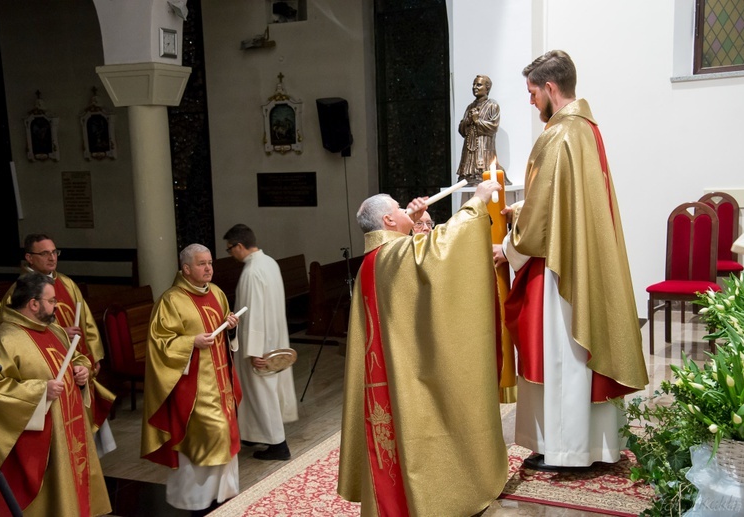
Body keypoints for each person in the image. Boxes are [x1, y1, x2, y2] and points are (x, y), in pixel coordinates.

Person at [493, 50, 648, 470]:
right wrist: (523, 213)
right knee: (577, 356)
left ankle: (567, 452)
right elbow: (564, 204)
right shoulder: (586, 129)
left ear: (550, 88)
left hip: (561, 267)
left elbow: (545, 217)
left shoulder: (559, 135)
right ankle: (593, 446)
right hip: (583, 256)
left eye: (531, 93)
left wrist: (507, 248)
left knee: (564, 354)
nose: (530, 102)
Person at [338, 180, 509, 516]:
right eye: (399, 209)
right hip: (405, 371)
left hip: (389, 368)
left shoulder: (375, 259)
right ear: (388, 222)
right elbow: (442, 251)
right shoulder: (393, 255)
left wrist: (418, 219)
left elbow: (421, 256)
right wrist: (477, 202)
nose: (406, 210)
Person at [0, 272, 111, 516]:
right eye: (51, 301)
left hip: (70, 427)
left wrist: (82, 370)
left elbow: (75, 357)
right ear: (33, 303)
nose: (56, 306)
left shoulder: (54, 329)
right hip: (44, 438)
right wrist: (40, 390)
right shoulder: (5, 339)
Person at [141, 243, 242, 515]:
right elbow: (160, 344)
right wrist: (191, 342)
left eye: (210, 262)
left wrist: (231, 330)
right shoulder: (171, 301)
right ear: (186, 269)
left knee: (225, 436)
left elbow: (224, 337)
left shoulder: (217, 293)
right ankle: (197, 503)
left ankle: (224, 500)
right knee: (205, 440)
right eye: (201, 263)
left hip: (221, 386)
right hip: (194, 389)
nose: (208, 268)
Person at [1, 233, 116, 455]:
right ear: (29, 257)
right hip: (42, 373)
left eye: (54, 252)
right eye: (44, 253)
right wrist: (58, 331)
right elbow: (11, 326)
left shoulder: (67, 283)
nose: (52, 257)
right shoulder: (19, 290)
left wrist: (93, 355)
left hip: (73, 365)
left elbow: (87, 321)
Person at [223, 224, 298, 461]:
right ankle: (254, 434)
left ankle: (278, 444)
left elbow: (252, 314)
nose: (230, 254)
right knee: (259, 394)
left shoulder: (252, 272)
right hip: (274, 337)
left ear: (240, 246)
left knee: (262, 395)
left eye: (229, 249)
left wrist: (254, 351)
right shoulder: (269, 263)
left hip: (261, 345)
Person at [456, 74, 504, 185]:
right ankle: (469, 174)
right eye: (473, 84)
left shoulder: (492, 106)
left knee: (484, 170)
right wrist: (468, 121)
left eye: (478, 85)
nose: (474, 87)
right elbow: (461, 130)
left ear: (487, 88)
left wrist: (477, 121)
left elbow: (493, 127)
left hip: (484, 145)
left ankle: (480, 174)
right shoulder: (470, 107)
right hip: (469, 145)